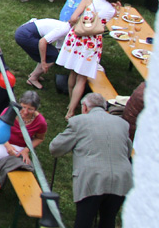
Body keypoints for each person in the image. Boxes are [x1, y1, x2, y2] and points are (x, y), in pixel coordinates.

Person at [50, 93, 133, 228]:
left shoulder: (78, 121)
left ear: (85, 107)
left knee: (84, 220)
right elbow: (127, 151)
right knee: (108, 220)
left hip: (92, 179)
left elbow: (55, 148)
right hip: (121, 179)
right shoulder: (122, 124)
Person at [57, 0, 122, 119]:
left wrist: (81, 24)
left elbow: (74, 17)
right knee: (82, 78)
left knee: (73, 72)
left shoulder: (88, 0)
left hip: (76, 39)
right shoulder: (111, 10)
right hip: (92, 44)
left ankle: (70, 103)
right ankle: (71, 111)